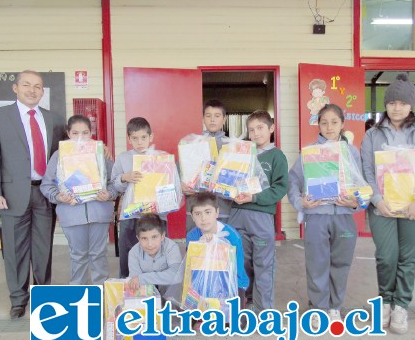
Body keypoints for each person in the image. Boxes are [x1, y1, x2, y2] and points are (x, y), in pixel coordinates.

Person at [0, 70, 66, 319]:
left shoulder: (54, 119)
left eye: (37, 86)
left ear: (42, 91)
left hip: (44, 193)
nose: (32, 90)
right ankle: (18, 299)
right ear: (15, 88)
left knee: (43, 248)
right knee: (15, 250)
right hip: (11, 194)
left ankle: (42, 296)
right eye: (26, 85)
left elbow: (65, 157)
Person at [361, 73, 415, 335]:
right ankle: (385, 301)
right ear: (386, 104)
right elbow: (366, 171)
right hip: (382, 207)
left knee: (408, 259)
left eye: (402, 103)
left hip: (414, 208)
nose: (397, 107)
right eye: (392, 102)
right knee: (386, 256)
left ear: (411, 105)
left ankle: (401, 306)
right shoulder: (372, 135)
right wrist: (377, 200)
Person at [288, 104, 362, 326]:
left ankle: (335, 307)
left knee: (341, 264)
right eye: (324, 122)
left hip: (344, 217)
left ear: (342, 123)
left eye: (334, 122)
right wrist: (300, 202)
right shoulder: (309, 152)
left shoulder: (351, 152)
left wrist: (356, 201)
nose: (329, 127)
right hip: (317, 216)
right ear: (318, 125)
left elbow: (362, 183)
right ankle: (319, 308)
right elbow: (293, 180)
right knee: (317, 264)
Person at [40, 115, 117, 285]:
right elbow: (46, 185)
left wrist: (109, 194)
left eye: (85, 132)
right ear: (68, 133)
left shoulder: (101, 153)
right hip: (71, 214)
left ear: (91, 133)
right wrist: (58, 196)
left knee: (98, 254)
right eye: (75, 133)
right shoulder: (59, 155)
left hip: (99, 212)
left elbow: (115, 182)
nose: (80, 137)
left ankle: (101, 292)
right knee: (78, 255)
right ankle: (78, 293)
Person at [228, 110, 288, 313]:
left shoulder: (276, 156)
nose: (255, 133)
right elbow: (229, 179)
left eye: (260, 128)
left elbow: (279, 188)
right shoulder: (241, 153)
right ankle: (246, 304)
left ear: (271, 128)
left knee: (263, 264)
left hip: (261, 215)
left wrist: (254, 197)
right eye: (251, 130)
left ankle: (265, 311)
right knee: (240, 263)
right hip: (237, 213)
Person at [111, 117, 181, 278]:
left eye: (143, 137)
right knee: (128, 252)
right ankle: (128, 287)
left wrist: (169, 201)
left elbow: (173, 188)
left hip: (157, 215)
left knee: (158, 254)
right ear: (129, 139)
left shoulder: (162, 158)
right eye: (134, 138)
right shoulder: (123, 158)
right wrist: (124, 177)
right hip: (131, 215)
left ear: (151, 137)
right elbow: (114, 185)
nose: (139, 142)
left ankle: (157, 291)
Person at [186, 191, 249, 328]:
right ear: (192, 217)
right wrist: (201, 246)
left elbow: (236, 271)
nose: (203, 218)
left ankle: (233, 309)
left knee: (236, 325)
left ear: (217, 212)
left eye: (208, 212)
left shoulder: (231, 236)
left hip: (231, 282)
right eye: (198, 214)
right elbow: (191, 269)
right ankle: (204, 314)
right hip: (203, 283)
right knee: (188, 321)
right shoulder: (192, 236)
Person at [182, 99, 233, 232]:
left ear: (224, 119)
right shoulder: (192, 144)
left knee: (222, 249)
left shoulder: (232, 146)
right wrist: (181, 185)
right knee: (196, 249)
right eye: (208, 115)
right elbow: (180, 173)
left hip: (223, 210)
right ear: (203, 118)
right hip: (196, 211)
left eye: (217, 116)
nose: (212, 120)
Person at [127, 213, 183, 296]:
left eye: (154, 237)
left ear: (162, 236)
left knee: (176, 287)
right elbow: (135, 281)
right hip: (147, 294)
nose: (150, 244)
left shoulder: (171, 247)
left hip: (168, 292)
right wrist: (139, 280)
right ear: (138, 238)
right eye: (144, 238)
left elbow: (176, 275)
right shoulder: (134, 252)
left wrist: (143, 278)